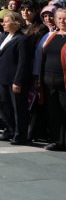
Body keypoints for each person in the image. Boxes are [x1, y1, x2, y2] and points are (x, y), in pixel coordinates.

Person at [0, 10, 32, 145]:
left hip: (14, 80)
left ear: (16, 23)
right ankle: (9, 130)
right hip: (1, 78)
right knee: (4, 106)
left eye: (6, 21)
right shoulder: (4, 37)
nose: (3, 24)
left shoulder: (22, 39)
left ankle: (20, 135)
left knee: (18, 108)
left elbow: (23, 63)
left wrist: (18, 81)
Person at [39, 8, 66, 150]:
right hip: (49, 82)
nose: (63, 21)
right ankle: (58, 141)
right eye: (60, 18)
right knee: (54, 113)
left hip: (64, 83)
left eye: (65, 18)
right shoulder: (52, 36)